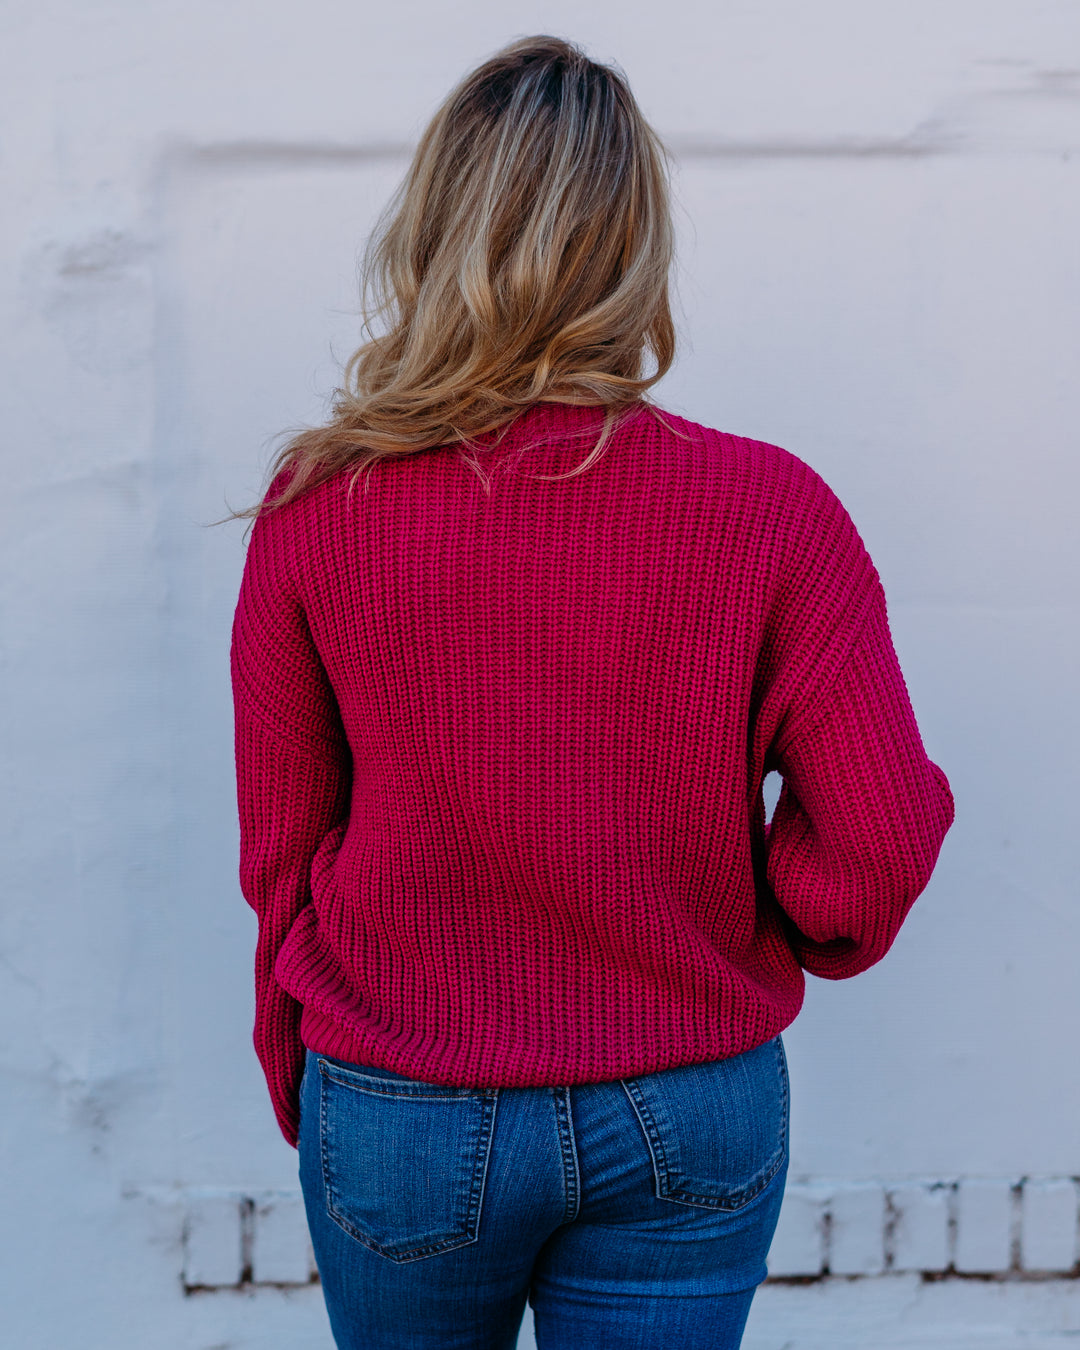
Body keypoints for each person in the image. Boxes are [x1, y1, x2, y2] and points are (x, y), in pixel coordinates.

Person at [229, 34, 955, 1350]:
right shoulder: (771, 510)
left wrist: (311, 1078)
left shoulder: (316, 510)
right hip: (686, 1097)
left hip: (404, 1095)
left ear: (434, 229)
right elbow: (883, 833)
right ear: (637, 248)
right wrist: (774, 911)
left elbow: (283, 857)